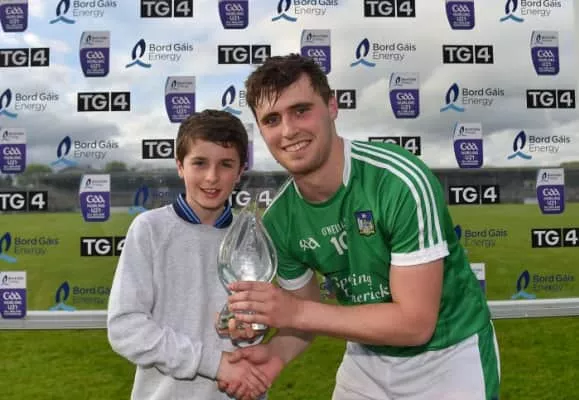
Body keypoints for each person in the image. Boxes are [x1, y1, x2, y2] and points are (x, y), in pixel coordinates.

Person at [221, 54, 501, 400]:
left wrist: (295, 311)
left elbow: (415, 324)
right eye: (272, 119)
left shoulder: (398, 181)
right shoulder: (279, 220)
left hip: (449, 355)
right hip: (366, 356)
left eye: (301, 110)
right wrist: (276, 354)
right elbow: (306, 314)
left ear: (332, 106)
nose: (289, 130)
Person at [107, 109, 271, 400]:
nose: (212, 177)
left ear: (240, 171)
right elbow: (125, 327)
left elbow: (255, 322)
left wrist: (252, 329)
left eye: (225, 164)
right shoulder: (150, 229)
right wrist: (215, 363)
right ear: (180, 166)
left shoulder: (251, 235)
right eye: (199, 163)